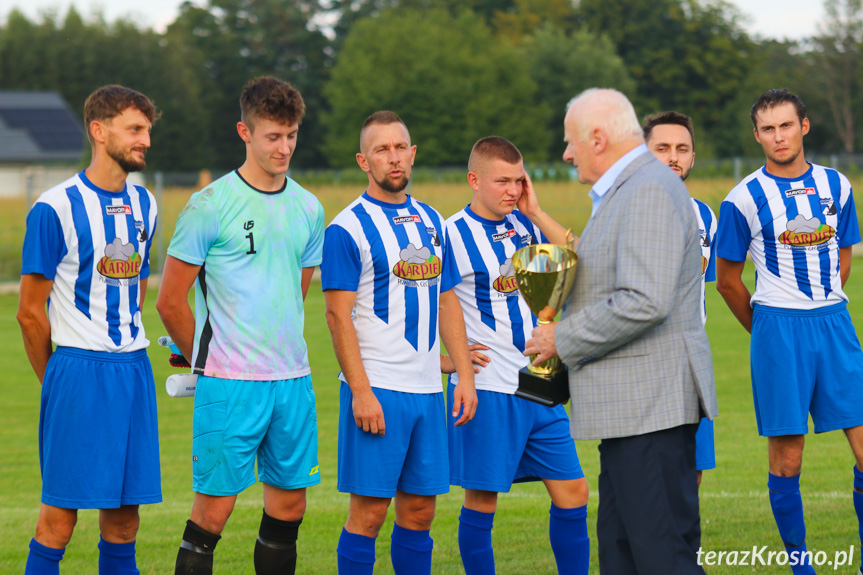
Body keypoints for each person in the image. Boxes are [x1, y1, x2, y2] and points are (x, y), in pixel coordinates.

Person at [524, 88, 717, 574]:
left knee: (660, 557)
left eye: (570, 143)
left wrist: (558, 340)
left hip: (650, 411)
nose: (566, 154)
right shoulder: (629, 188)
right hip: (632, 413)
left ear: (596, 137)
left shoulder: (647, 188)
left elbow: (644, 299)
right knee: (621, 554)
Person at [156, 76, 324, 575]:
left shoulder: (309, 207)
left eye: (291, 135)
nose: (285, 147)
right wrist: (206, 363)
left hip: (293, 381)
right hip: (230, 386)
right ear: (244, 133)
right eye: (273, 136)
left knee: (290, 507)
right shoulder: (209, 205)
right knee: (215, 511)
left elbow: (296, 293)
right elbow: (170, 301)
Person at [321, 110, 477, 575]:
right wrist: (362, 391)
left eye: (400, 147)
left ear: (413, 154)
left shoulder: (431, 221)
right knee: (369, 515)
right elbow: (336, 315)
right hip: (379, 389)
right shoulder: (346, 228)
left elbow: (447, 302)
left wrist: (464, 374)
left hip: (429, 392)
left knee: (420, 513)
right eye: (381, 149)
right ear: (363, 161)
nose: (393, 157)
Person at [715, 88, 863, 575]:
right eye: (767, 128)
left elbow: (844, 252)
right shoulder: (742, 199)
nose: (778, 136)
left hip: (834, 322)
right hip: (778, 329)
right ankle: (801, 567)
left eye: (786, 125)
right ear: (756, 135)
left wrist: (821, 298)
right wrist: (765, 329)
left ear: (803, 126)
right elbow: (728, 280)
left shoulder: (838, 185)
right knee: (788, 456)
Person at [17, 84, 161, 575]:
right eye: (135, 129)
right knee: (59, 520)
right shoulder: (53, 207)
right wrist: (56, 380)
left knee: (124, 522)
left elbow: (136, 286)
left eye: (147, 130)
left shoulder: (146, 205)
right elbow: (29, 312)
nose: (145, 140)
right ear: (99, 131)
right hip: (79, 371)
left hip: (134, 369)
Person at [442, 136, 590, 575]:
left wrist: (536, 211)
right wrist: (450, 361)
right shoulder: (449, 234)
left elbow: (586, 259)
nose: (511, 189)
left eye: (517, 180)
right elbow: (427, 303)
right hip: (488, 389)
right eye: (501, 181)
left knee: (574, 491)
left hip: (540, 382)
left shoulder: (525, 227)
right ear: (474, 180)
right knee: (482, 502)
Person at [643, 111, 718, 485]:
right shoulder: (626, 208)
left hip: (692, 360)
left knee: (693, 473)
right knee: (647, 475)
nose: (673, 157)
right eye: (663, 148)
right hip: (645, 363)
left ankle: (684, 547)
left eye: (682, 148)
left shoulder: (706, 215)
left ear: (692, 157)